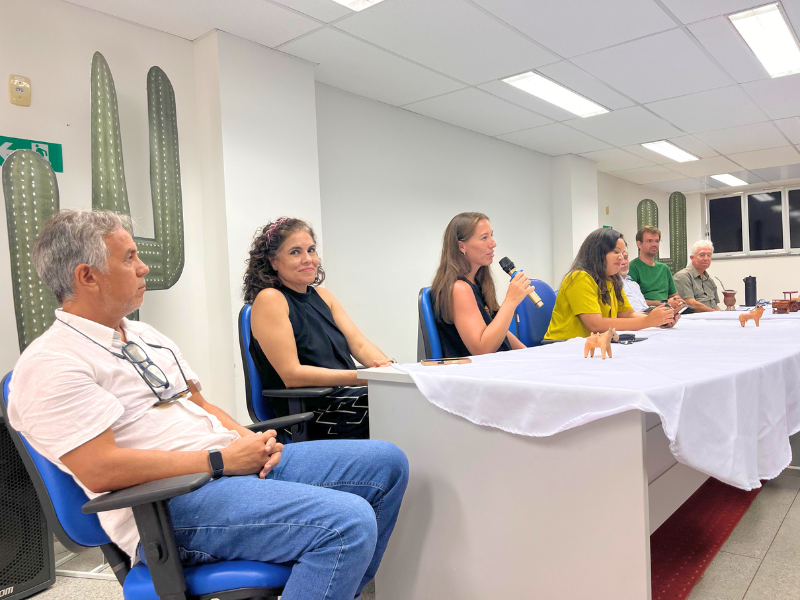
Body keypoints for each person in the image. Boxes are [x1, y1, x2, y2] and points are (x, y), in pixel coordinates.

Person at [8, 210, 408, 600]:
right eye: (130, 257)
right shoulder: (53, 364)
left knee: (387, 464)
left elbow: (199, 404)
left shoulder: (144, 336)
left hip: (226, 468)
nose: (144, 267)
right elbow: (101, 469)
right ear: (87, 276)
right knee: (346, 522)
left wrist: (251, 444)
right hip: (170, 506)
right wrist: (222, 461)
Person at [244, 218, 394, 440]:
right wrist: (363, 377)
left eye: (311, 250)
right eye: (295, 252)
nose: (308, 259)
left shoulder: (324, 296)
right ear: (274, 261)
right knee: (395, 408)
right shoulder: (270, 299)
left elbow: (360, 345)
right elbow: (291, 375)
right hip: (310, 411)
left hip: (346, 395)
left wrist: (390, 371)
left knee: (409, 396)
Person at [544, 228, 675, 341]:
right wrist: (647, 322)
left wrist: (660, 318)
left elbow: (627, 314)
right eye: (616, 252)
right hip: (565, 346)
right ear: (598, 253)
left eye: (623, 254)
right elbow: (595, 324)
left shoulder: (612, 279)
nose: (621, 258)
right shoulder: (579, 277)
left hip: (593, 344)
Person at [430, 212, 530, 358]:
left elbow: (497, 330)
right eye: (484, 238)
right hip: (475, 373)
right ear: (461, 246)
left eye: (491, 236)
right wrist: (511, 301)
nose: (493, 244)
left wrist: (528, 353)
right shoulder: (459, 289)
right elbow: (482, 349)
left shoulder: (478, 283)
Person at [628, 226, 684, 309]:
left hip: (668, 310)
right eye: (649, 241)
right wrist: (664, 303)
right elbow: (633, 301)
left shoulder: (664, 268)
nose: (654, 244)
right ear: (639, 244)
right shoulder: (632, 268)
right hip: (646, 313)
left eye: (657, 241)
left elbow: (674, 294)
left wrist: (677, 301)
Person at [672, 240, 720, 312]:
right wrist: (715, 313)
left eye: (709, 255)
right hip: (694, 319)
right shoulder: (682, 276)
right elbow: (690, 303)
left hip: (711, 318)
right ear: (692, 258)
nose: (706, 258)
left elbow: (714, 305)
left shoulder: (709, 280)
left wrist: (722, 315)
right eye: (702, 255)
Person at [619, 246, 648, 312]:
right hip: (634, 319)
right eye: (620, 259)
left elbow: (645, 308)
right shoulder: (612, 284)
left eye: (625, 258)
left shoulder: (634, 284)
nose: (624, 262)